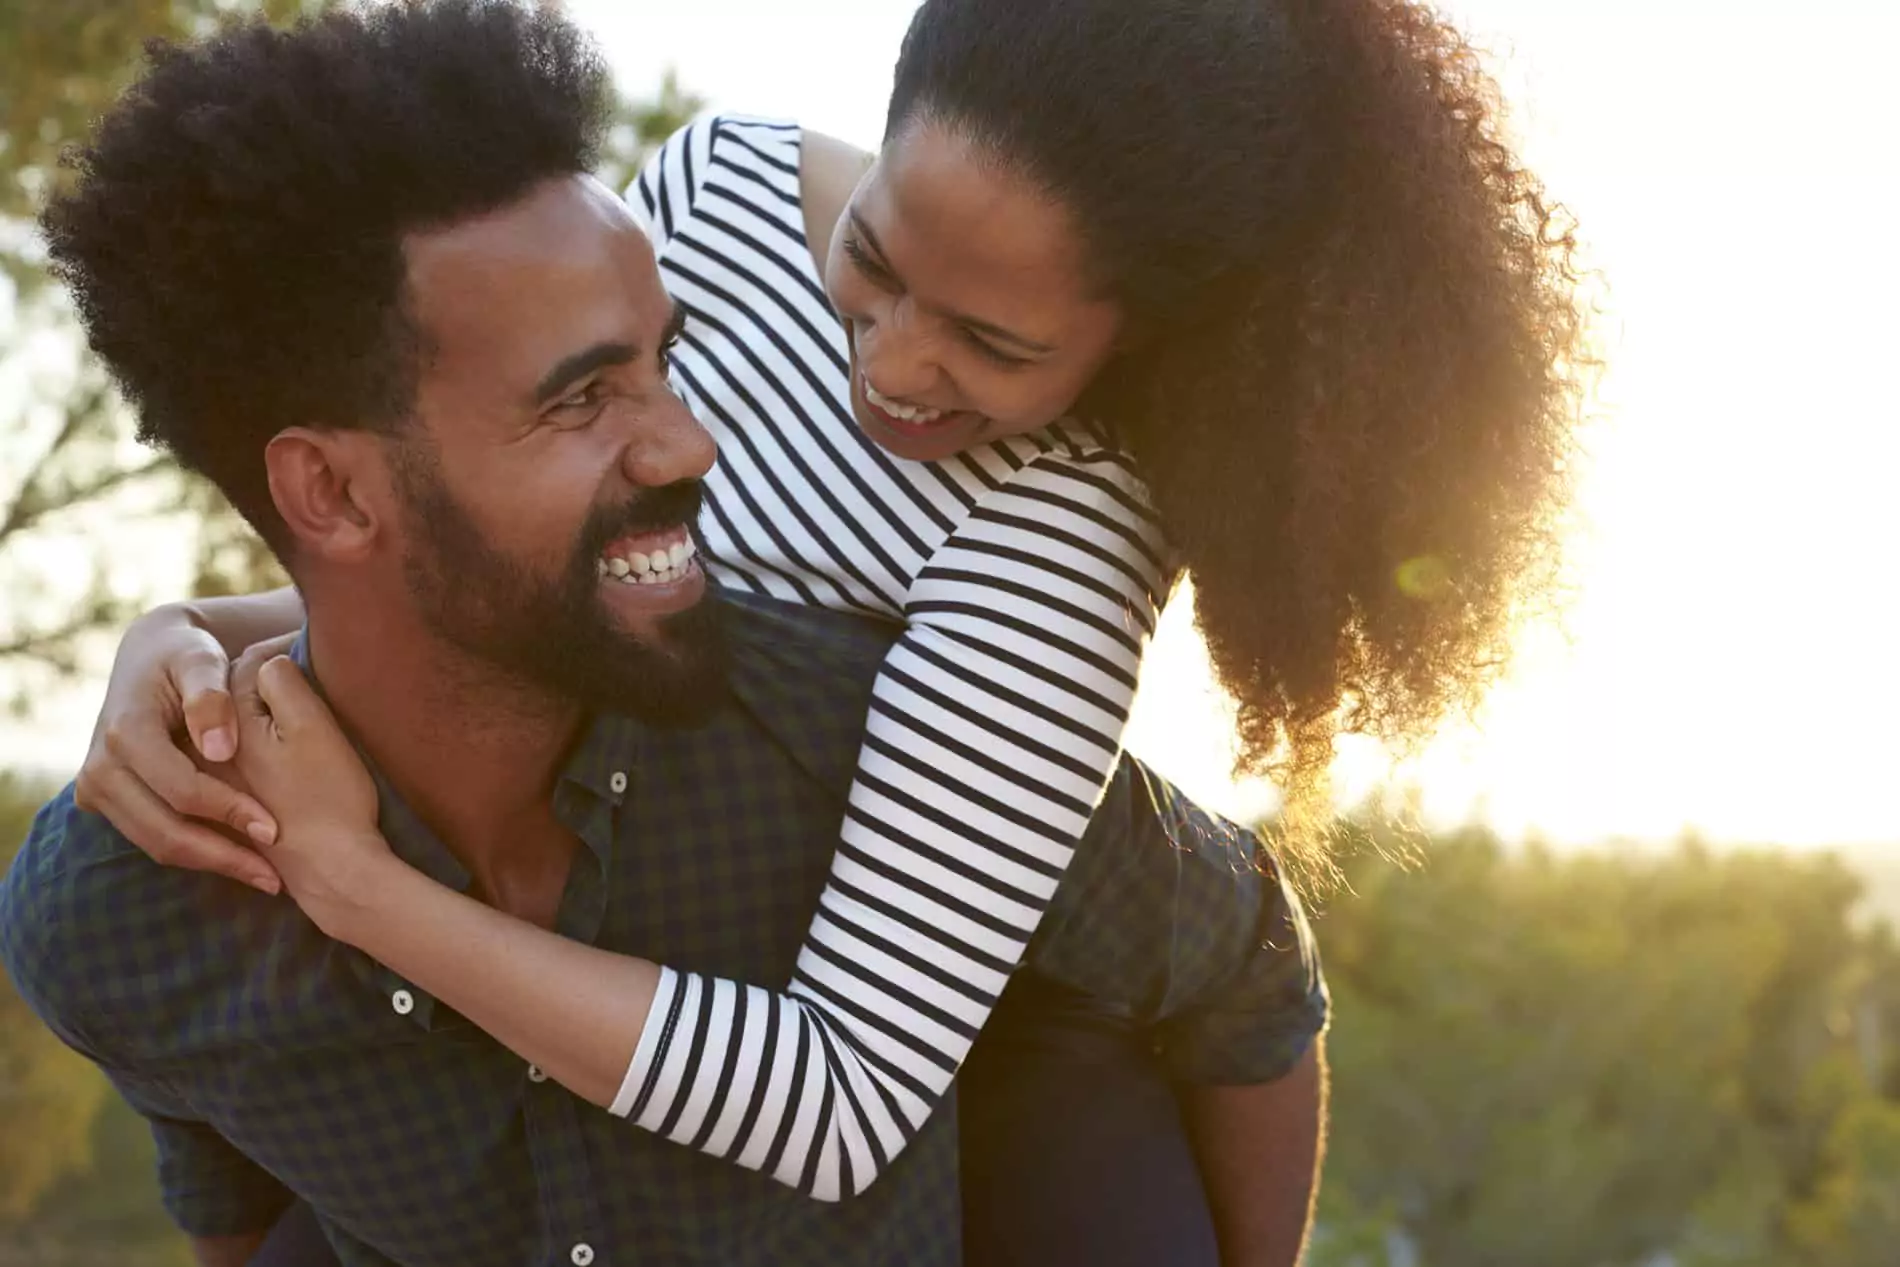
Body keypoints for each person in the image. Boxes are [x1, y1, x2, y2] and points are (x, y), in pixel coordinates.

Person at [82, 0, 1581, 1200]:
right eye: (874, 255)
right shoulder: (723, 190)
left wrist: (362, 889)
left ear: (1134, 341)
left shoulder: (1066, 519)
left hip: (967, 1039)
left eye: (992, 342)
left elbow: (847, 1089)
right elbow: (532, 549)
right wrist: (197, 643)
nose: (896, 362)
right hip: (663, 933)